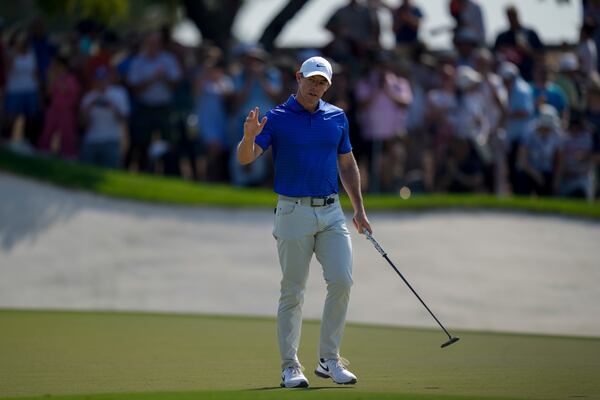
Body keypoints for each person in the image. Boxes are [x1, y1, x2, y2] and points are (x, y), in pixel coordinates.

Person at [236, 56, 371, 388]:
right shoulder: (277, 118)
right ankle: (289, 367)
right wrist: (249, 136)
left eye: (322, 82)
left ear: (329, 85)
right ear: (298, 78)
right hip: (292, 212)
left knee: (342, 280)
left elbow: (347, 163)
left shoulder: (337, 117)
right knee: (293, 292)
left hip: (331, 212)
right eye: (311, 80)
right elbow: (245, 159)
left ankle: (329, 359)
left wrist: (359, 209)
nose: (316, 87)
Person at [79, 66, 130, 168]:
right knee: (86, 170)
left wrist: (112, 107)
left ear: (109, 79)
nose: (101, 83)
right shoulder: (89, 97)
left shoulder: (119, 94)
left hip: (111, 140)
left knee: (112, 171)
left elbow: (124, 119)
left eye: (104, 79)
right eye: (98, 80)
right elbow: (82, 123)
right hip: (91, 140)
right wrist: (89, 108)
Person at [494, 5, 544, 81]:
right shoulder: (502, 37)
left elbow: (541, 56)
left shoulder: (530, 33)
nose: (511, 19)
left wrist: (527, 49)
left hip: (528, 77)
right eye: (509, 16)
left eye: (513, 16)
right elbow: (495, 58)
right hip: (508, 79)